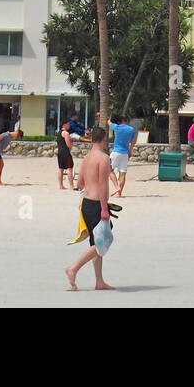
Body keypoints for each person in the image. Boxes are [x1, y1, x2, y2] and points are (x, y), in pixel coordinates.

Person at [65, 126, 114, 291]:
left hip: (85, 203)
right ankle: (74, 268)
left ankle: (99, 281)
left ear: (92, 139)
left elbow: (79, 184)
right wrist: (104, 208)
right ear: (104, 139)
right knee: (104, 240)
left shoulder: (87, 158)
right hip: (96, 203)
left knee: (96, 240)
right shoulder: (103, 158)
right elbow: (102, 184)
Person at [107, 114, 137, 196]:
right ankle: (119, 193)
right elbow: (133, 141)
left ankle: (117, 187)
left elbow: (109, 122)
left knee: (109, 170)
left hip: (116, 151)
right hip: (125, 153)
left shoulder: (117, 127)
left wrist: (109, 118)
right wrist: (130, 150)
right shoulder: (131, 129)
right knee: (122, 173)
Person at [56, 121, 76, 189]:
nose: (69, 125)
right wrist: (71, 143)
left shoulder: (59, 132)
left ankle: (61, 185)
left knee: (61, 169)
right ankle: (71, 186)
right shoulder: (66, 133)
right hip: (66, 152)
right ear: (64, 124)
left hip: (60, 152)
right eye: (68, 124)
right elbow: (68, 145)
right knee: (69, 168)